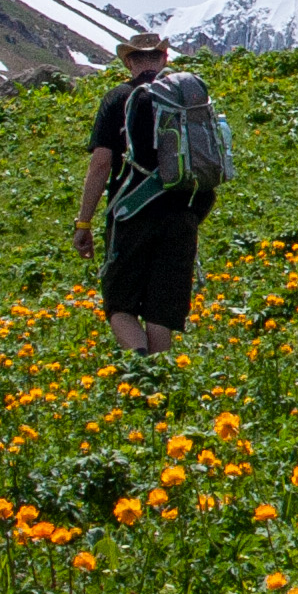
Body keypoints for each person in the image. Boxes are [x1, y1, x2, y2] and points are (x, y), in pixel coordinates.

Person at [78, 30, 209, 361]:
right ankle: (162, 381)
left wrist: (84, 222)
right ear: (165, 59)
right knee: (160, 311)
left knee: (119, 307)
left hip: (133, 214)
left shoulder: (118, 99)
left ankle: (141, 369)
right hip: (183, 212)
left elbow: (101, 163)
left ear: (129, 62)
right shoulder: (186, 96)